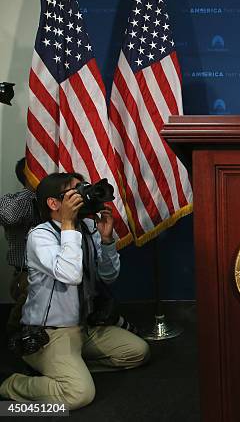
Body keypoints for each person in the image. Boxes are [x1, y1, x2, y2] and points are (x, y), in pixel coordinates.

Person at [0, 172, 150, 410]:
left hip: (84, 327)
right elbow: (70, 274)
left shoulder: (88, 228)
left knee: (137, 352)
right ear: (54, 203)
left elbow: (109, 276)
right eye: (75, 191)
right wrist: (69, 225)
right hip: (50, 333)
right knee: (79, 395)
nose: (83, 196)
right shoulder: (40, 235)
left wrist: (107, 240)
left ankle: (71, 370)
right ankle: (14, 384)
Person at [0, 158, 38, 333]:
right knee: (22, 327)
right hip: (25, 275)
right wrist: (32, 191)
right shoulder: (12, 201)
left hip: (53, 273)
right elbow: (11, 217)